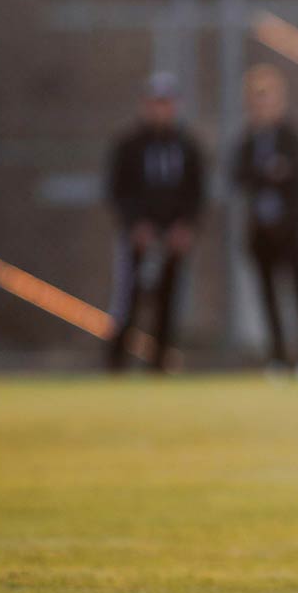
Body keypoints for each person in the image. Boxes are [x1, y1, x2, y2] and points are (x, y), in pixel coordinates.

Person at [105, 71, 205, 373]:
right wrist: (136, 225)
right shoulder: (129, 146)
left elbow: (196, 192)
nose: (161, 109)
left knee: (168, 300)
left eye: (166, 103)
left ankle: (160, 364)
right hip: (138, 237)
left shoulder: (188, 147)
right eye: (155, 102)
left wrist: (185, 226)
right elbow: (117, 190)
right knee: (128, 299)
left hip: (172, 236)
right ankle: (115, 363)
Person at [232, 64, 298, 380]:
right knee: (267, 295)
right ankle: (278, 358)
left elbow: (297, 177)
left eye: (268, 97)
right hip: (260, 230)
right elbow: (239, 177)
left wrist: (273, 174)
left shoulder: (291, 136)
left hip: (290, 229)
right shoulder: (247, 139)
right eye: (257, 98)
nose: (263, 104)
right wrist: (269, 171)